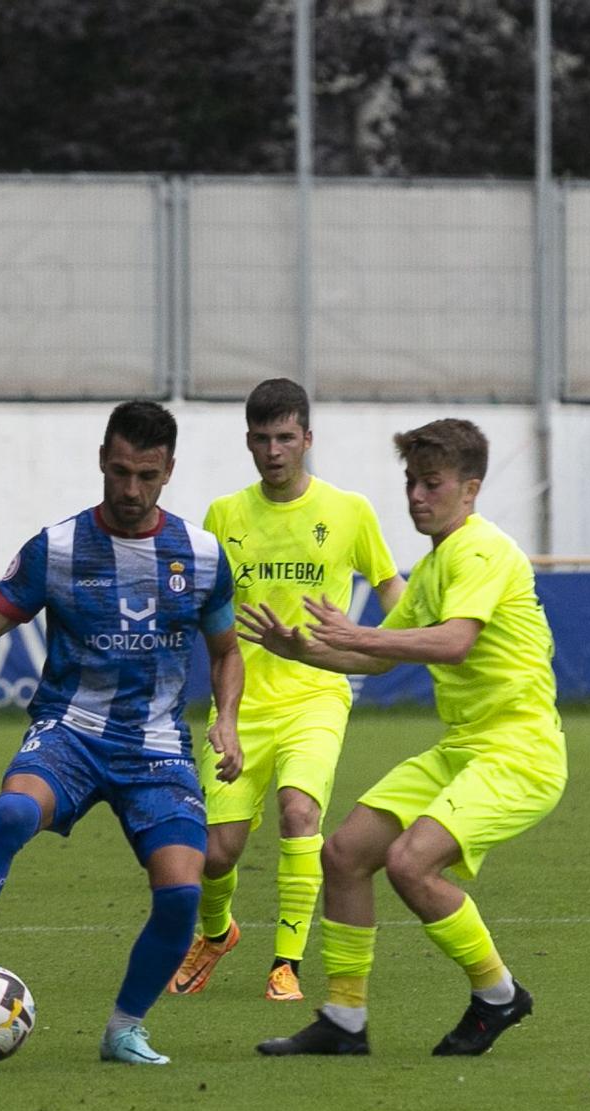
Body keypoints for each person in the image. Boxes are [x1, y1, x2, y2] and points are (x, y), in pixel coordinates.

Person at [0, 400, 244, 1066]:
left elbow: (227, 651)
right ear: (101, 461)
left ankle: (122, 1030)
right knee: (12, 811)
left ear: (169, 470)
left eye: (146, 475)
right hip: (71, 732)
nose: (130, 489)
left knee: (181, 895)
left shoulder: (201, 556)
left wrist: (225, 718)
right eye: (119, 471)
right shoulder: (55, 549)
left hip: (157, 748)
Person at [242, 419, 566, 1057]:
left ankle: (498, 994)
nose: (417, 496)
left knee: (410, 863)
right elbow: (379, 661)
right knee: (344, 854)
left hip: (519, 753)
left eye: (432, 483)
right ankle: (344, 1018)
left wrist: (357, 633)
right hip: (466, 748)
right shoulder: (436, 562)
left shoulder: (482, 551)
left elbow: (453, 642)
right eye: (412, 482)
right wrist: (300, 648)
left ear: (469, 490)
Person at [166, 378, 403, 1003]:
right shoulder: (225, 515)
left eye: (286, 438)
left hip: (318, 696)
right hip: (241, 706)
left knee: (301, 814)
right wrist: (219, 708)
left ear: (307, 439)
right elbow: (207, 614)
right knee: (216, 853)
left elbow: (392, 594)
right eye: (263, 439)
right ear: (249, 441)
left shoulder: (349, 511)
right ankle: (215, 934)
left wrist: (386, 639)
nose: (275, 450)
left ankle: (287, 964)